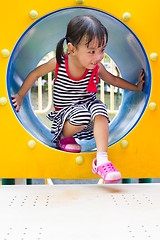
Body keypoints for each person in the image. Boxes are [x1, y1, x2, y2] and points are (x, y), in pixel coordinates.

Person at [11, 15, 144, 183]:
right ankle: (64, 138)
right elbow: (35, 73)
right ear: (72, 49)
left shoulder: (96, 67)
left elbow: (114, 80)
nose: (99, 56)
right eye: (92, 51)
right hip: (66, 115)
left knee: (100, 108)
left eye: (102, 50)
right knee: (82, 114)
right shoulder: (59, 63)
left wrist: (137, 88)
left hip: (86, 110)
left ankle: (102, 160)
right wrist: (21, 95)